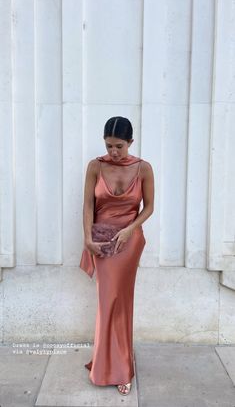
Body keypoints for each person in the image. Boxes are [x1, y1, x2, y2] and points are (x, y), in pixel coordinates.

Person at [79, 116, 154, 395]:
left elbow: (149, 208)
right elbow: (88, 204)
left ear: (130, 142)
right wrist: (87, 238)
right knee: (106, 302)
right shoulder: (95, 166)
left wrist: (129, 229)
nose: (113, 152)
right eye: (109, 145)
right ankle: (104, 363)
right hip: (101, 241)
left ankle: (122, 369)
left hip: (129, 241)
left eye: (119, 146)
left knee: (121, 302)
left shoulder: (144, 168)